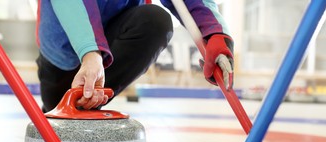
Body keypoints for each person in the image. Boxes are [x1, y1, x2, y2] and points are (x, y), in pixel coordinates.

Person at [36, 0, 234, 112]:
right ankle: (62, 106)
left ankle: (90, 100)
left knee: (155, 22)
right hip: (62, 57)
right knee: (55, 106)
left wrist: (215, 33)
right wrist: (91, 52)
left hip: (108, 52)